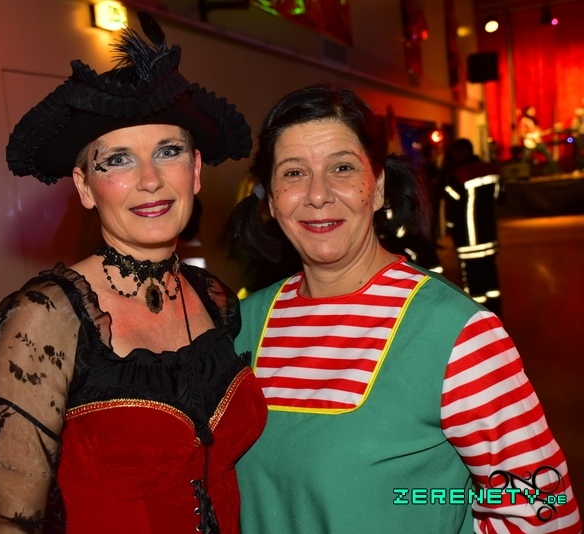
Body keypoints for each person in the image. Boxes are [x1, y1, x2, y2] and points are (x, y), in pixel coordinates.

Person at [0, 13, 267, 534]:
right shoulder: (46, 318)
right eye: (117, 160)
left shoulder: (214, 299)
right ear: (85, 187)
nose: (150, 180)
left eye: (168, 152)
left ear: (195, 171)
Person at [226, 84, 580, 533]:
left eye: (341, 167)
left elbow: (541, 505)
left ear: (377, 188)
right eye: (294, 173)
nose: (317, 194)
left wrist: (433, 505)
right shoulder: (242, 325)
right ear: (272, 199)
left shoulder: (456, 335)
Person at [444, 137, 503, 315]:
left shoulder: (457, 176)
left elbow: (452, 208)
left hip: (468, 239)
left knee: (473, 278)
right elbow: (501, 198)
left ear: (460, 153)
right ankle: (496, 312)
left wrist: (451, 228)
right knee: (490, 275)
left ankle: (478, 316)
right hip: (489, 235)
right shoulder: (493, 170)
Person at [519, 105, 556, 174]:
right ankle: (520, 173)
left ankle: (553, 171)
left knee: (548, 153)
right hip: (529, 143)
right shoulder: (524, 120)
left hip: (538, 142)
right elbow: (521, 133)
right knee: (525, 158)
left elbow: (539, 133)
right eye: (531, 110)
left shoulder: (534, 120)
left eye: (534, 110)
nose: (533, 112)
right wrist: (531, 138)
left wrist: (550, 130)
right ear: (527, 112)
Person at [570, 102, 584, 173]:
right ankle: (578, 168)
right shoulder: (576, 120)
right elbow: (573, 128)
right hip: (580, 136)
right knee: (579, 152)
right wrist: (575, 136)